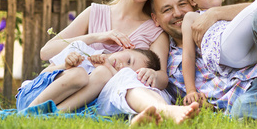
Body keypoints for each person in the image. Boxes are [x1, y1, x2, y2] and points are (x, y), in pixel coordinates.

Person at [39, 0, 199, 124]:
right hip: (77, 91)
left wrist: (152, 74)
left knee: (131, 83)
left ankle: (149, 117)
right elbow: (46, 52)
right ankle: (153, 116)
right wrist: (96, 37)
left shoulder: (154, 30)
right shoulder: (94, 12)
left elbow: (162, 77)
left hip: (118, 94)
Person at [17, 40, 161, 112]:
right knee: (79, 75)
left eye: (126, 71)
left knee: (102, 73)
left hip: (58, 108)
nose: (122, 66)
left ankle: (52, 115)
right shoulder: (80, 48)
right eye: (129, 60)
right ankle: (30, 112)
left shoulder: (108, 81)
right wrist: (66, 67)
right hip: (33, 95)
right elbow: (42, 75)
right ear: (126, 48)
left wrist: (108, 69)